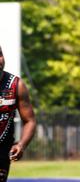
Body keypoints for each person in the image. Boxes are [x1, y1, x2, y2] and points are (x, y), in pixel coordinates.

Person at [0, 45, 36, 182]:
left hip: (2, 151)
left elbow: (30, 121)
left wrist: (21, 144)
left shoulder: (16, 85)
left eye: (0, 54)